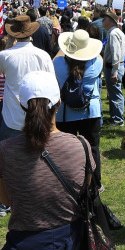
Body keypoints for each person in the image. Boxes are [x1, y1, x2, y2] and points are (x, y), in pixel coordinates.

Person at [0, 71, 98, 250]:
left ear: (22, 106)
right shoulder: (81, 146)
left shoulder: (4, 151)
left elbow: (5, 199)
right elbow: (85, 191)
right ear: (59, 102)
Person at [0, 15, 55, 142]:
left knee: (11, 159)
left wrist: (9, 42)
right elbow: (51, 84)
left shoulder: (5, 55)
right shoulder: (43, 55)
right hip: (37, 116)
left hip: (12, 118)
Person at [53, 29, 104, 186]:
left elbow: (57, 57)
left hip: (65, 113)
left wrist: (66, 48)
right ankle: (95, 183)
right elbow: (99, 55)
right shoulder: (96, 63)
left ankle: (68, 181)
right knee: (92, 148)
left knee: (66, 149)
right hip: (90, 112)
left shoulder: (58, 63)